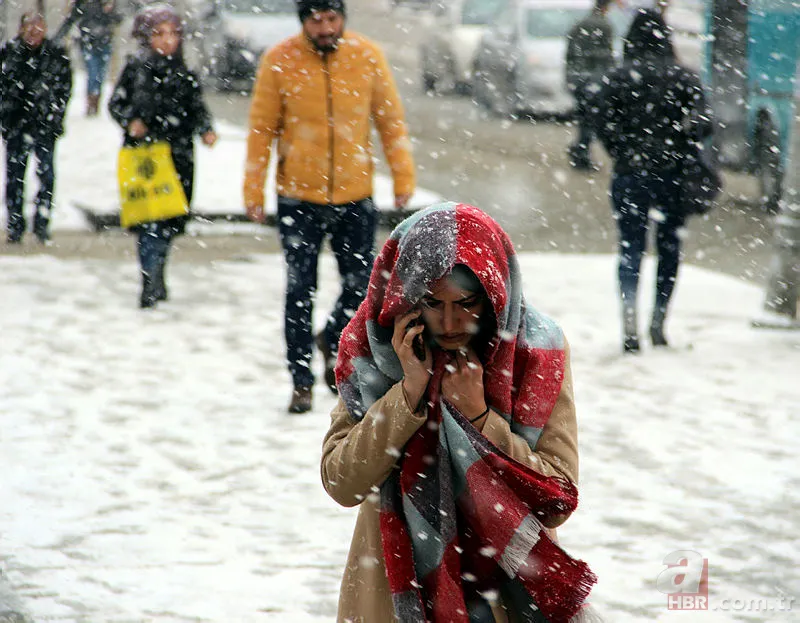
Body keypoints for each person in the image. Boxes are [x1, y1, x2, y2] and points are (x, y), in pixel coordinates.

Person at [321, 203, 599, 622]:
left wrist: (482, 417)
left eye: (467, 303)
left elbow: (556, 496)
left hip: (504, 594)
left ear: (494, 297)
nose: (451, 322)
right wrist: (408, 393)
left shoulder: (534, 353)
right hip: (395, 591)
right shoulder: (374, 348)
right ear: (406, 296)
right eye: (433, 303)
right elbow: (341, 482)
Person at [243, 0, 416, 414]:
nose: (325, 28)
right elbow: (262, 129)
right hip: (298, 197)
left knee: (362, 288)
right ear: (303, 22)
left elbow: (389, 120)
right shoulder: (280, 60)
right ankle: (300, 379)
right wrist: (254, 188)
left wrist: (403, 176)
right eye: (316, 20)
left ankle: (334, 340)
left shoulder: (366, 55)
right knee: (299, 290)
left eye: (332, 19)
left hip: (355, 194)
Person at [591, 9, 712, 353]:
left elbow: (600, 121)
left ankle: (629, 326)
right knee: (669, 248)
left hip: (630, 174)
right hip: (673, 176)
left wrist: (622, 150)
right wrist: (681, 142)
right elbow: (704, 123)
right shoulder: (683, 77)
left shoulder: (617, 77)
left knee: (631, 248)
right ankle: (658, 323)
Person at [108, 4, 217, 308]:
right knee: (148, 222)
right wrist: (131, 121)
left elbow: (197, 109)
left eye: (173, 34)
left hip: (179, 156)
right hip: (144, 157)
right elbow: (116, 104)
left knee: (170, 222)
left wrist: (206, 129)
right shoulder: (135, 69)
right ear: (146, 37)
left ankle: (158, 272)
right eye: (159, 34)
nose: (167, 40)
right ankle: (149, 279)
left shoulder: (186, 74)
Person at [0, 12, 72, 245]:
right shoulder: (9, 54)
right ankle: (15, 225)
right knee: (15, 178)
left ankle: (41, 223)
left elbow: (64, 88)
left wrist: (54, 113)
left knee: (47, 176)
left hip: (45, 125)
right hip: (16, 125)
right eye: (30, 27)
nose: (34, 31)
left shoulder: (55, 55)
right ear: (21, 29)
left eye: (38, 26)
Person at [565, 0, 616, 171]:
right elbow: (606, 56)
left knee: (584, 117)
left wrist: (569, 76)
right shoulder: (604, 26)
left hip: (577, 77)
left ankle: (579, 149)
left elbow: (569, 52)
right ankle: (580, 151)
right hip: (593, 79)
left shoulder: (579, 24)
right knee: (591, 119)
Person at [54, 0, 123, 116]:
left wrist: (109, 12)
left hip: (105, 44)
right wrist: (57, 39)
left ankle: (96, 103)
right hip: (88, 44)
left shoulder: (107, 2)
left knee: (100, 75)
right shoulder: (82, 3)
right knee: (93, 73)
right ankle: (91, 102)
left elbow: (118, 19)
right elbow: (71, 20)